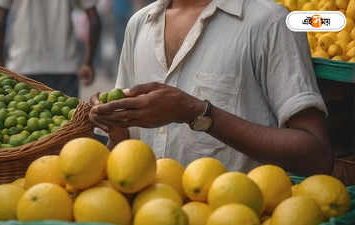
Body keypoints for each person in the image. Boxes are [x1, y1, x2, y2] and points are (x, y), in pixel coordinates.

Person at [89, 0, 333, 176]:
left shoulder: (270, 23)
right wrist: (114, 125)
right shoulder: (139, 24)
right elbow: (127, 149)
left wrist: (197, 113)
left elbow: (316, 156)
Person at [0, 0, 101, 97]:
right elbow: (94, 19)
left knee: (25, 118)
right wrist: (88, 63)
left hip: (23, 64)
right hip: (64, 66)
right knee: (69, 119)